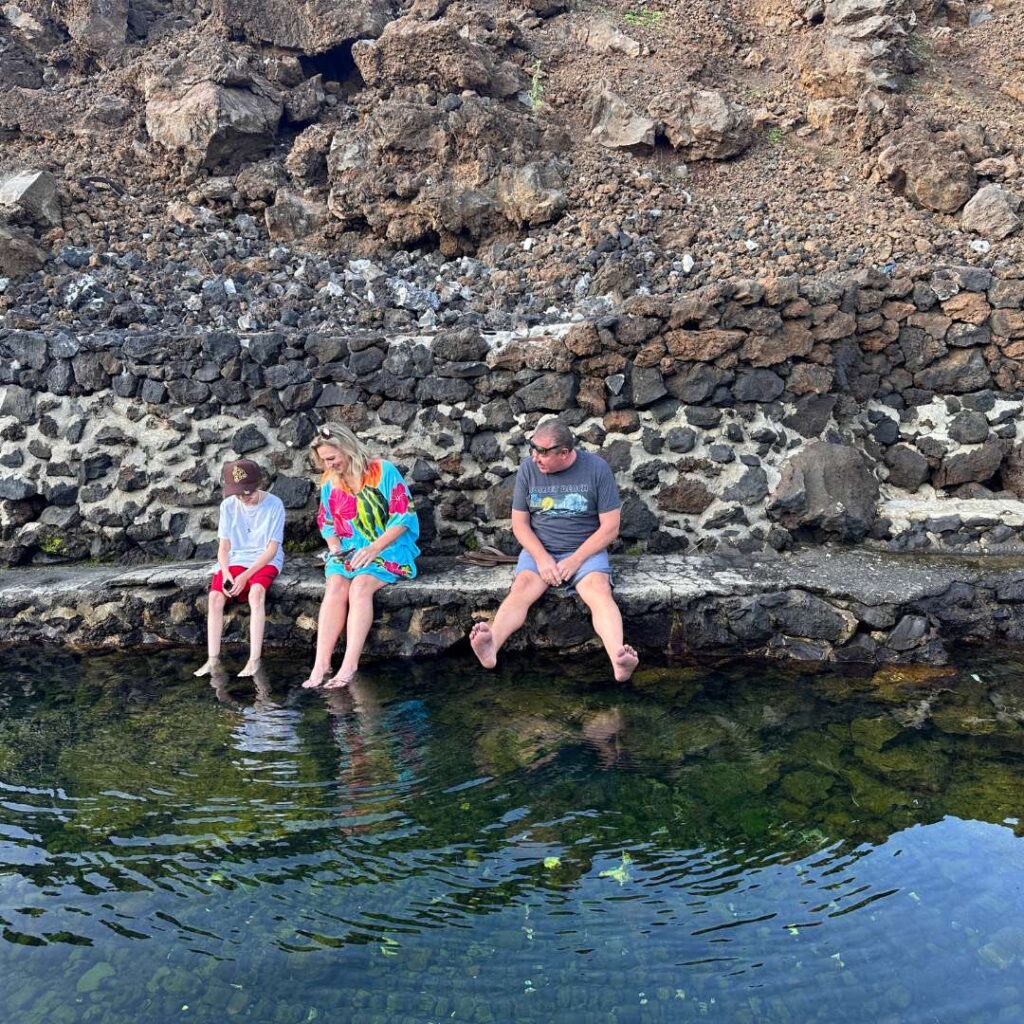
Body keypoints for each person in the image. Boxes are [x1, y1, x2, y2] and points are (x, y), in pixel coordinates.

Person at [469, 420, 639, 682]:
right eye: (532, 448)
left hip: (585, 550)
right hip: (541, 549)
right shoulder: (528, 470)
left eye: (543, 451)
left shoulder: (597, 469)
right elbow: (520, 524)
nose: (535, 456)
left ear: (565, 452)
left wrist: (575, 560)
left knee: (598, 591)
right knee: (522, 587)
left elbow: (610, 528)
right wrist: (542, 558)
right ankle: (491, 647)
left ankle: (618, 659)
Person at [302, 424, 420, 689]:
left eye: (332, 459)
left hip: (387, 547)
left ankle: (349, 664)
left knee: (360, 586)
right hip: (349, 549)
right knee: (335, 585)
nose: (329, 466)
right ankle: (322, 663)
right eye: (324, 461)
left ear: (348, 448)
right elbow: (327, 523)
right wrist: (334, 548)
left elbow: (403, 518)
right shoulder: (329, 480)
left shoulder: (383, 471)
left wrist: (373, 548)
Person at [195, 459, 285, 679]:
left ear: (259, 484)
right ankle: (213, 659)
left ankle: (254, 660)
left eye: (248, 493)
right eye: (239, 495)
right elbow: (224, 547)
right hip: (236, 558)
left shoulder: (274, 504)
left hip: (264, 559)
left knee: (256, 593)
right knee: (215, 597)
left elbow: (272, 549)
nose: (244, 499)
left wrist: (245, 576)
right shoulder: (228, 506)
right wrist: (226, 573)